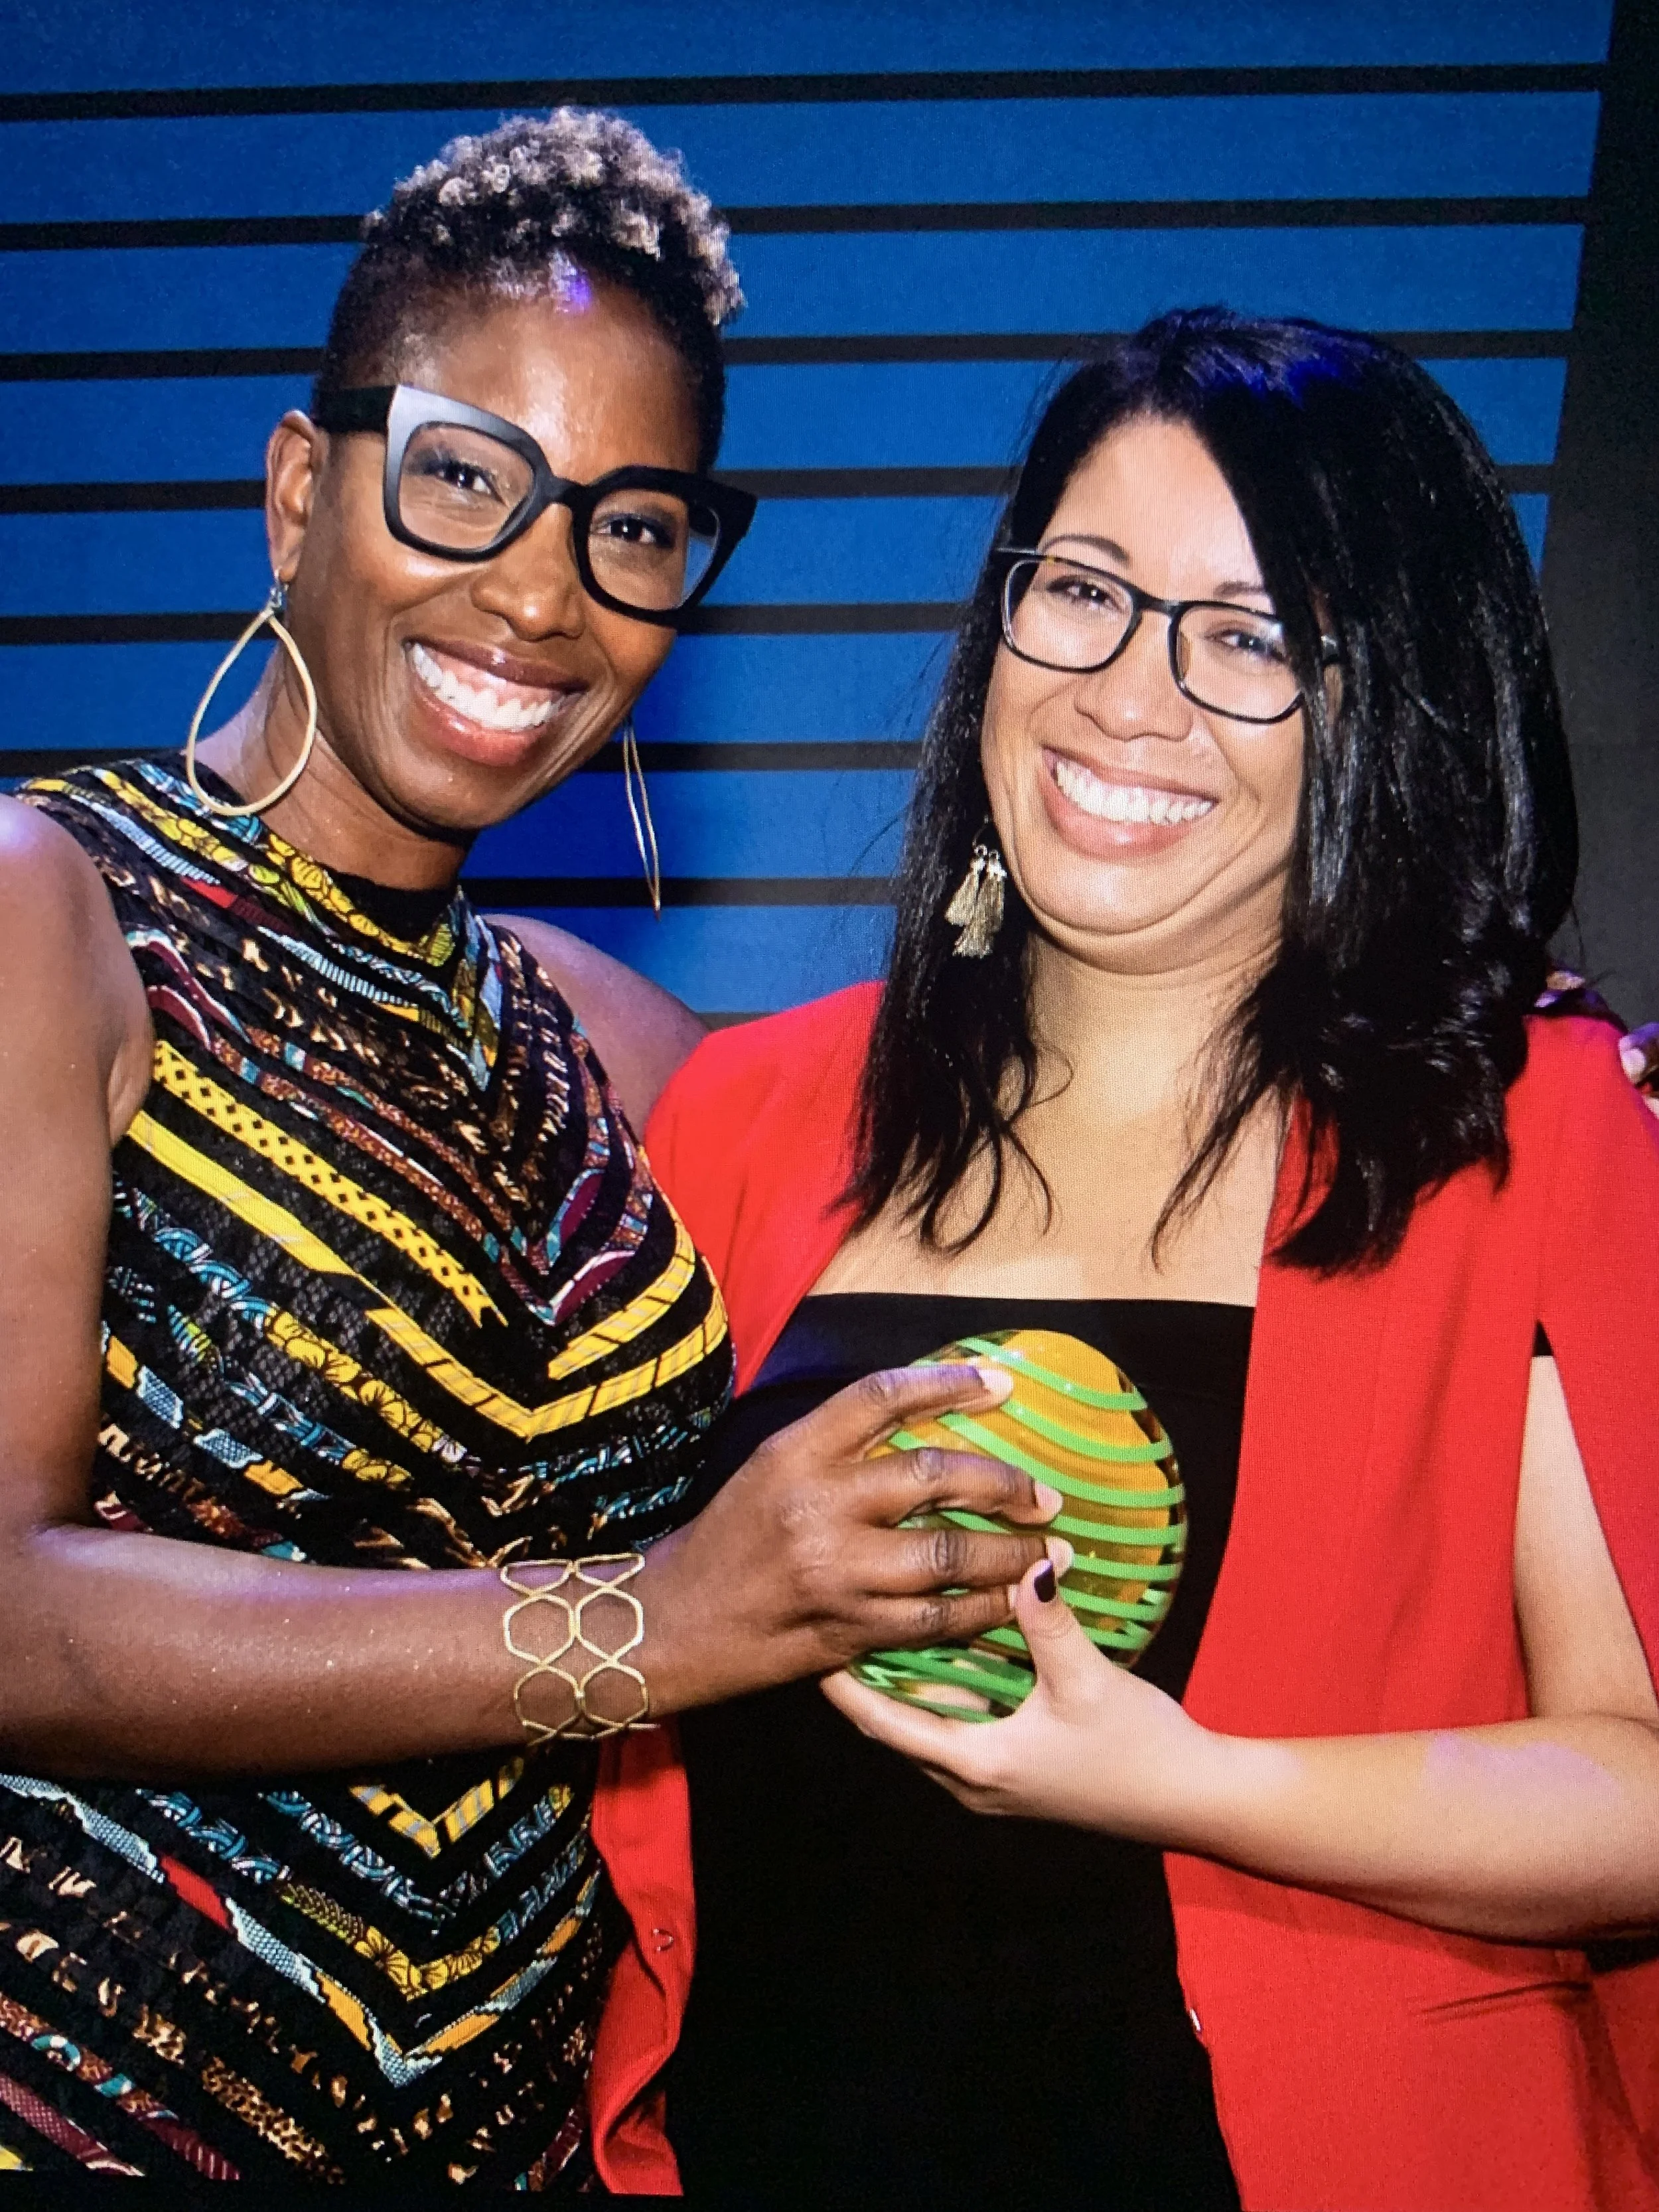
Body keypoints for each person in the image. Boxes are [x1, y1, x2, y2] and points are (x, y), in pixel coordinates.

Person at [0, 111, 1058, 2195]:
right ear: (302, 491)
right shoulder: (52, 914)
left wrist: (1517, 1073)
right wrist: (645, 1625)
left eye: (633, 526)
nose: (540, 590)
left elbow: (1044, 1147)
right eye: (463, 475)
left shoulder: (607, 1045)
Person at [646, 311, 1659, 2211]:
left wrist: (1169, 1776)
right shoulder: (743, 1112)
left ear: (1387, 709)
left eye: (1253, 638)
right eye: (1085, 593)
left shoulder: (1520, 1126)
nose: (1131, 693)